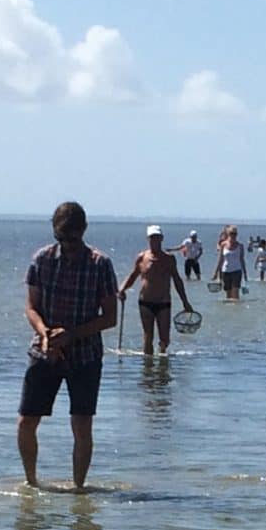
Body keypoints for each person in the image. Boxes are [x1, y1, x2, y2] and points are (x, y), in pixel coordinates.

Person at [19, 201, 119, 489]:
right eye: (61, 238)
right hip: (44, 351)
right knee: (27, 421)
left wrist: (72, 334)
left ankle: (79, 488)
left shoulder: (100, 264)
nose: (67, 245)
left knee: (82, 424)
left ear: (83, 230)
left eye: (72, 239)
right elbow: (31, 307)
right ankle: (32, 484)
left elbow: (110, 318)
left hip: (85, 355)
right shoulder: (42, 259)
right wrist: (45, 332)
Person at [122, 224, 192, 356]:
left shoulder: (169, 259)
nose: (155, 240)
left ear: (162, 238)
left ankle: (162, 365)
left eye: (157, 237)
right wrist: (121, 289)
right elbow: (133, 276)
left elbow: (177, 280)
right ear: (148, 239)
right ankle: (148, 371)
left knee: (164, 339)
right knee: (148, 336)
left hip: (163, 303)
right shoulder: (142, 257)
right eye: (152, 238)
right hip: (145, 302)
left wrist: (185, 302)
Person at [217, 225, 247, 300]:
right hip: (226, 271)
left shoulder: (240, 246)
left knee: (235, 294)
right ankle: (229, 311)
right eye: (231, 233)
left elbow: (242, 260)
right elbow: (220, 259)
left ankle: (236, 310)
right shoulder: (223, 244)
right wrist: (216, 273)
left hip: (237, 271)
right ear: (228, 234)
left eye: (235, 233)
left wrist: (245, 273)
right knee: (228, 296)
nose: (233, 235)